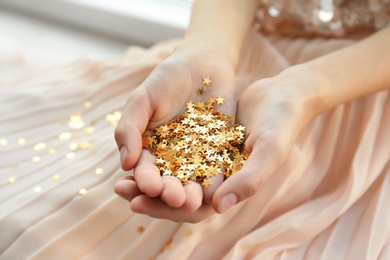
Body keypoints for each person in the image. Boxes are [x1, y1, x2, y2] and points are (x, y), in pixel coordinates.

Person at [1, 0, 389, 259]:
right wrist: (206, 49)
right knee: (35, 228)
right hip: (232, 56)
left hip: (362, 92)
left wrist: (305, 90)